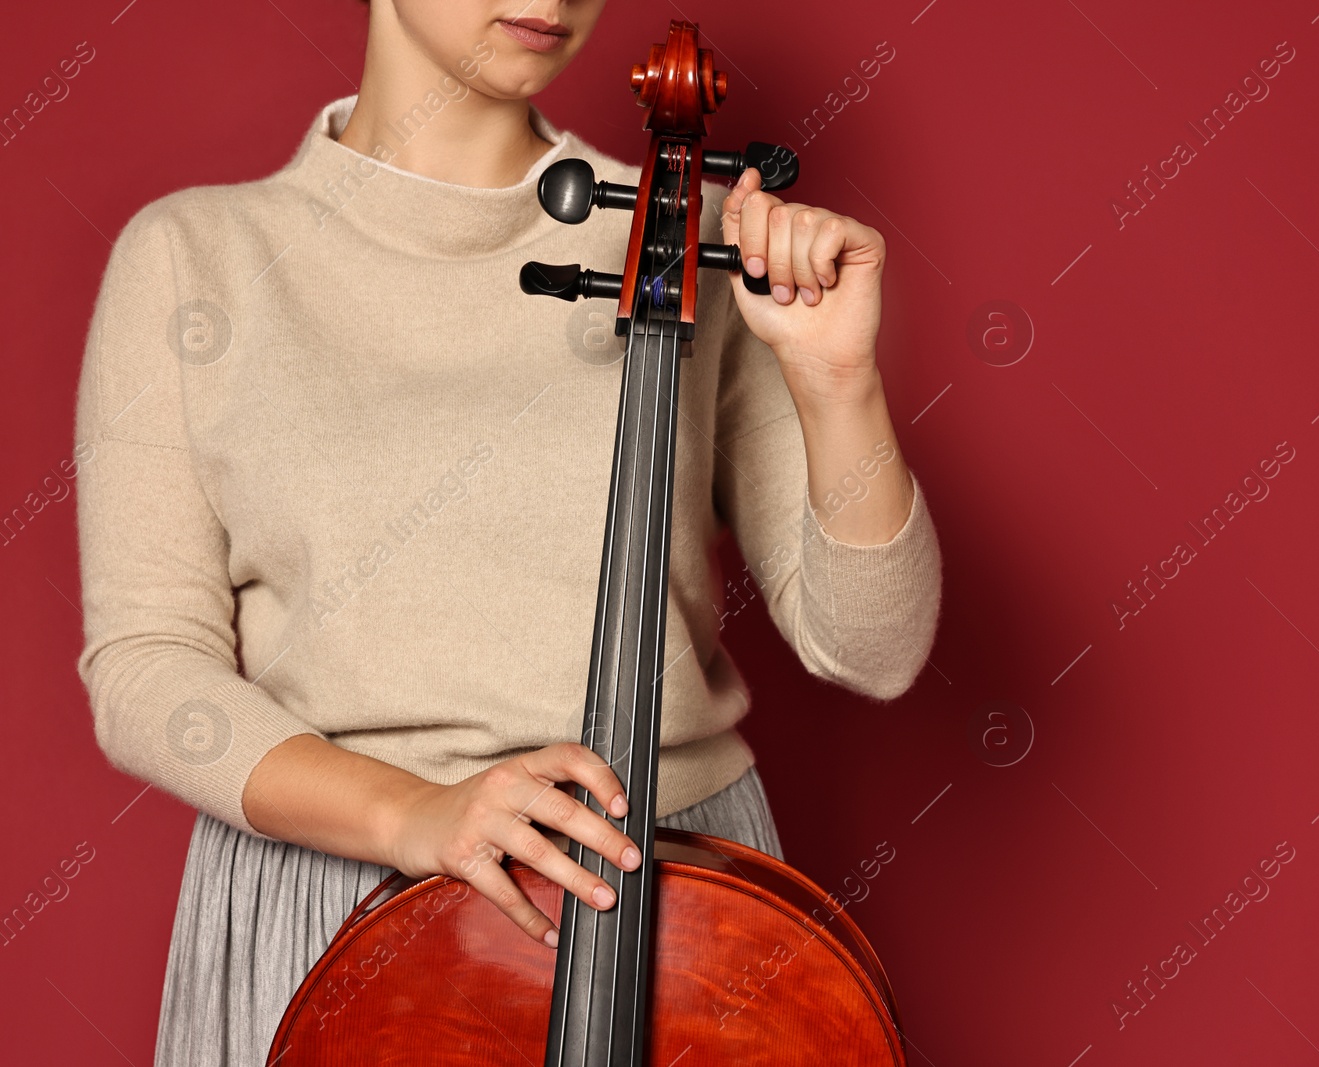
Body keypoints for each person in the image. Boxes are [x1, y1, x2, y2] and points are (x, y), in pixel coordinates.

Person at [72, 1, 942, 1062]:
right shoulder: (191, 256)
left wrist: (836, 378)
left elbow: (874, 649)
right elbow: (148, 668)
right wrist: (413, 814)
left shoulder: (705, 240)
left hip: (681, 920)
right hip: (332, 902)